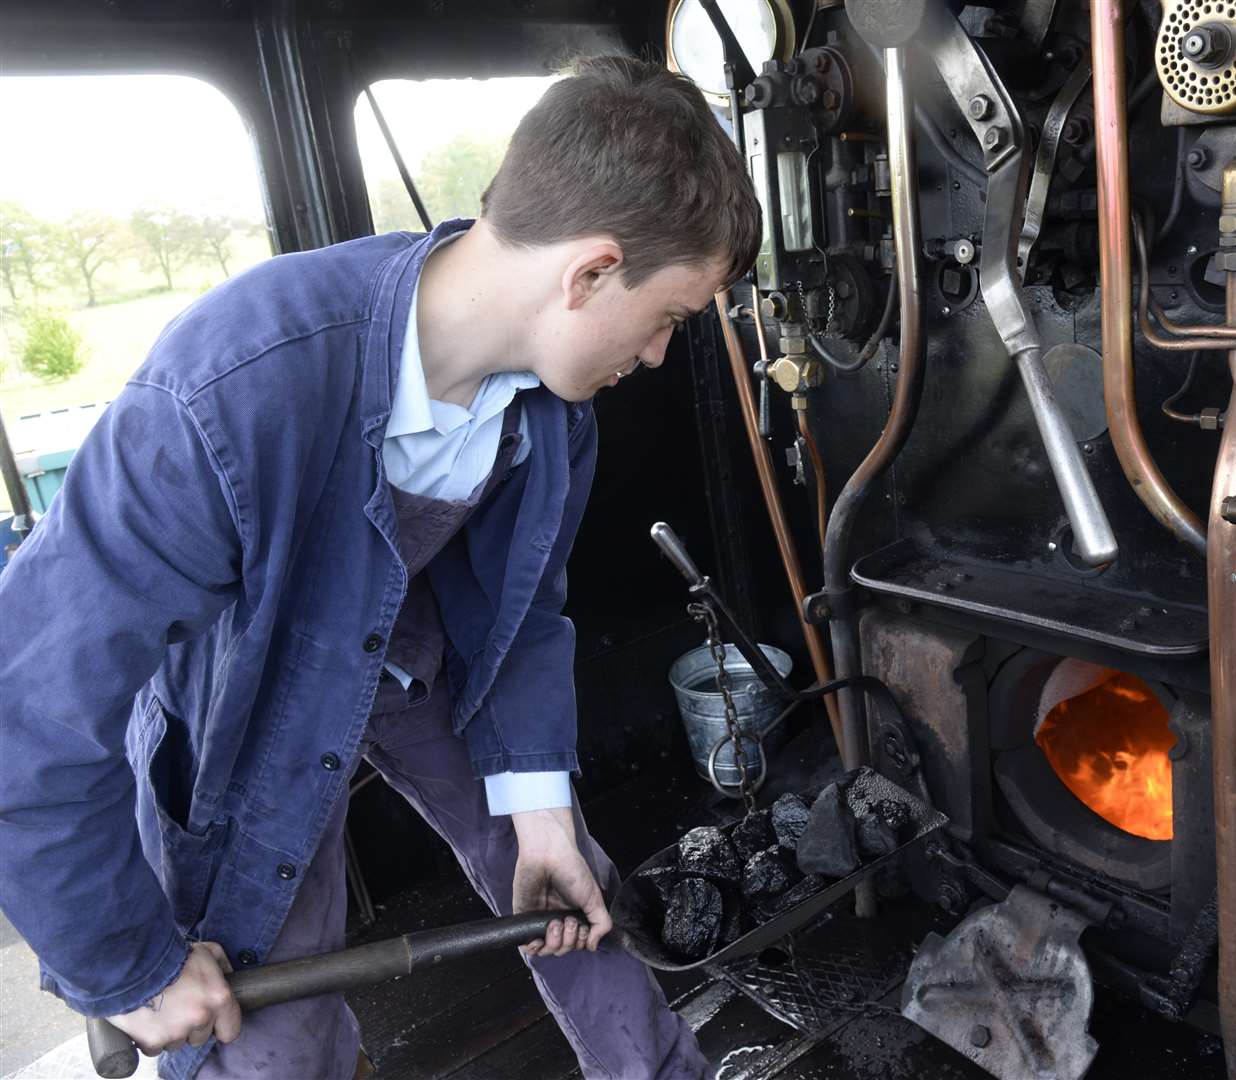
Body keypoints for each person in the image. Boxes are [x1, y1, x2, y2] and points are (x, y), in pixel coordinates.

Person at [0, 55, 759, 1080]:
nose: (663, 353)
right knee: (265, 1029)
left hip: (415, 649)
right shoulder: (225, 395)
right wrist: (125, 968)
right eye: (670, 315)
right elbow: (28, 716)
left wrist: (538, 819)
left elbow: (523, 612)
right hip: (249, 690)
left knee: (574, 895)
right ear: (589, 272)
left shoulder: (553, 410)